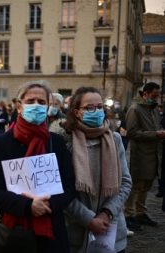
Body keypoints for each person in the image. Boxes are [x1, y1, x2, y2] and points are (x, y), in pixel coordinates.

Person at [0, 81, 76, 253]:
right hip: (14, 232)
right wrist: (27, 206)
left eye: (41, 102)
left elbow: (69, 186)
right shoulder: (2, 143)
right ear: (19, 107)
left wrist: (48, 205)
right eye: (30, 101)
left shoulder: (56, 143)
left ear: (48, 106)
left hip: (51, 231)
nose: (36, 106)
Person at [62, 87, 132, 253]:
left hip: (111, 229)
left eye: (100, 107)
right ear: (77, 112)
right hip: (76, 232)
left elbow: (125, 182)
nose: (96, 111)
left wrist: (106, 213)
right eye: (89, 108)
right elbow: (61, 190)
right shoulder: (65, 142)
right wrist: (88, 218)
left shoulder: (114, 139)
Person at [124, 82, 165, 231]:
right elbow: (132, 133)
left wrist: (159, 131)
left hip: (152, 154)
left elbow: (154, 127)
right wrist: (156, 134)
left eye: (157, 96)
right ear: (145, 94)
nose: (156, 99)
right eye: (153, 96)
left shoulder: (153, 109)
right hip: (139, 154)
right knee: (136, 186)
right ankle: (128, 215)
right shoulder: (135, 109)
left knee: (146, 186)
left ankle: (140, 213)